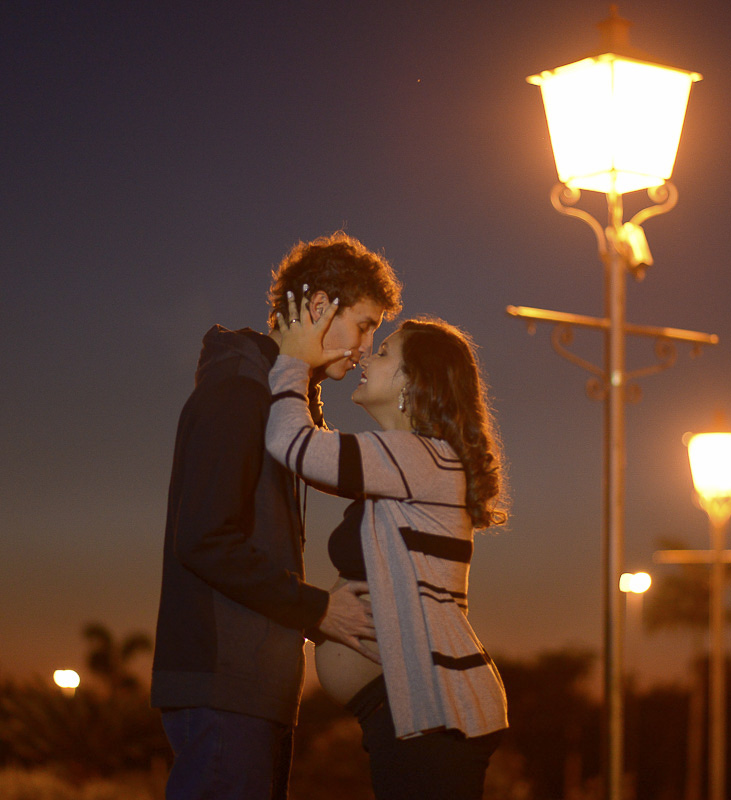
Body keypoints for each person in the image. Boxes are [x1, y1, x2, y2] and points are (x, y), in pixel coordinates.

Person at [151, 232, 402, 800]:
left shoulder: (267, 398)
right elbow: (204, 539)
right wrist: (320, 610)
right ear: (319, 308)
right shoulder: (238, 393)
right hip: (224, 684)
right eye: (364, 325)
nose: (365, 346)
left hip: (247, 686)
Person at [265, 292, 509, 800]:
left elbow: (292, 444)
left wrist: (293, 358)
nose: (365, 356)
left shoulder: (416, 458)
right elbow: (323, 454)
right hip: (415, 715)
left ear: (410, 384)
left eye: (383, 353)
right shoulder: (411, 465)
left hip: (435, 716)